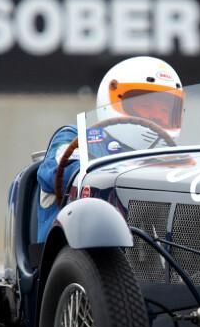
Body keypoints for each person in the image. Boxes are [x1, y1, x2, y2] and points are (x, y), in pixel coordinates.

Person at [36, 56, 185, 241]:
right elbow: (60, 170)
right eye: (146, 106)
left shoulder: (172, 158)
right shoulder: (77, 137)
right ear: (112, 100)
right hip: (77, 251)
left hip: (148, 254)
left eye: (164, 111)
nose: (155, 117)